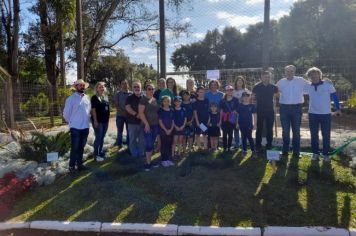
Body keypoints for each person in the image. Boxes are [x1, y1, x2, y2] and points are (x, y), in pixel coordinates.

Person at [304, 67, 341, 162]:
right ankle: (315, 153)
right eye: (311, 75)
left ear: (320, 75)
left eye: (316, 74)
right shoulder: (308, 86)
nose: (314, 76)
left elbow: (334, 97)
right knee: (314, 135)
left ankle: (326, 154)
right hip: (312, 114)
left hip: (326, 114)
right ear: (309, 77)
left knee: (326, 135)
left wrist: (338, 108)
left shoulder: (327, 84)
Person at [277, 65, 309, 157]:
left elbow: (311, 86)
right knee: (285, 131)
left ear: (294, 72)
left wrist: (324, 81)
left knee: (296, 131)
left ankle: (296, 152)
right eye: (287, 71)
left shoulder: (301, 80)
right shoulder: (280, 82)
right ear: (285, 72)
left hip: (296, 108)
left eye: (291, 71)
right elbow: (274, 90)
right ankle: (285, 151)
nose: (289, 73)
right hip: (284, 109)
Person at [63, 79, 91, 172]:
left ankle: (80, 165)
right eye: (80, 85)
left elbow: (89, 111)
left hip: (85, 127)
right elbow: (66, 114)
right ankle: (71, 166)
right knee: (74, 147)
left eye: (83, 85)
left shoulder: (87, 98)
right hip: (75, 127)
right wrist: (71, 122)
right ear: (76, 87)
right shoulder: (70, 99)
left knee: (81, 147)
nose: (82, 87)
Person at [252, 71, 279, 151]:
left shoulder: (273, 87)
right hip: (259, 110)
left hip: (270, 111)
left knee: (269, 128)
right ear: (261, 77)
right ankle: (258, 145)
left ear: (269, 77)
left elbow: (278, 96)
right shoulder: (256, 86)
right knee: (259, 128)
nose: (266, 78)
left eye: (268, 77)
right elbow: (252, 97)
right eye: (264, 77)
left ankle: (269, 144)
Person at [138, 83, 160, 171]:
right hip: (147, 126)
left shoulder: (154, 100)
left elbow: (157, 111)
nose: (151, 90)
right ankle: (147, 164)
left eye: (152, 89)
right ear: (146, 90)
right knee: (149, 144)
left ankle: (150, 161)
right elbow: (141, 113)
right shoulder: (143, 100)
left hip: (155, 125)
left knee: (152, 143)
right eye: (149, 89)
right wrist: (146, 124)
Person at [91, 82, 110, 162]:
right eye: (99, 87)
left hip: (105, 121)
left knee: (102, 137)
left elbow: (107, 108)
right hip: (98, 121)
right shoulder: (94, 98)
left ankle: (100, 151)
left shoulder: (105, 97)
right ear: (96, 89)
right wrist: (95, 121)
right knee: (98, 137)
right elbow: (93, 110)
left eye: (102, 87)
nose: (101, 88)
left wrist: (108, 120)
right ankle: (96, 155)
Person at [125, 81, 145, 158]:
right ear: (132, 88)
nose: (137, 88)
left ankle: (141, 153)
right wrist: (136, 114)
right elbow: (127, 108)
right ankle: (134, 154)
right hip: (132, 122)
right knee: (132, 139)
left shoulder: (144, 97)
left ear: (141, 88)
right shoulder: (129, 97)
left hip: (142, 122)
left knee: (142, 139)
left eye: (138, 87)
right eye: (135, 87)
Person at [219, 85, 239, 152]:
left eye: (231, 90)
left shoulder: (236, 100)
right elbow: (221, 111)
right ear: (226, 91)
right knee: (224, 134)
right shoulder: (222, 100)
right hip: (224, 119)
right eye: (228, 90)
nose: (230, 91)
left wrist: (235, 112)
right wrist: (220, 121)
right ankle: (225, 148)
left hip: (232, 118)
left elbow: (237, 109)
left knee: (230, 134)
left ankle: (229, 147)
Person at [114, 80, 132, 148]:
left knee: (129, 131)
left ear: (128, 85)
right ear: (121, 85)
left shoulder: (131, 94)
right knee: (120, 131)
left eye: (126, 83)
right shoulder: (117, 94)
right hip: (120, 116)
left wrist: (129, 112)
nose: (124, 85)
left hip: (129, 116)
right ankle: (119, 145)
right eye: (123, 84)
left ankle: (129, 144)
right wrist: (123, 112)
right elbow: (116, 105)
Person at [233, 76, 249, 149]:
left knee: (243, 129)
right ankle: (237, 144)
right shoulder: (233, 91)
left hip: (243, 113)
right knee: (235, 129)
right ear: (236, 82)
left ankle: (244, 144)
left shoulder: (245, 91)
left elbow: (249, 100)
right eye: (238, 80)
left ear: (243, 82)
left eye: (241, 81)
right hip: (234, 112)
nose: (239, 82)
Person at [158, 96, 175, 167]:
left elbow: (173, 121)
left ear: (170, 102)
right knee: (164, 145)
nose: (166, 103)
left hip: (171, 130)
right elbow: (160, 121)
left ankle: (168, 159)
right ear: (162, 102)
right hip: (163, 131)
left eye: (168, 101)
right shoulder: (160, 110)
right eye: (165, 101)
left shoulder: (172, 110)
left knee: (169, 145)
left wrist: (170, 129)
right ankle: (163, 160)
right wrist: (166, 130)